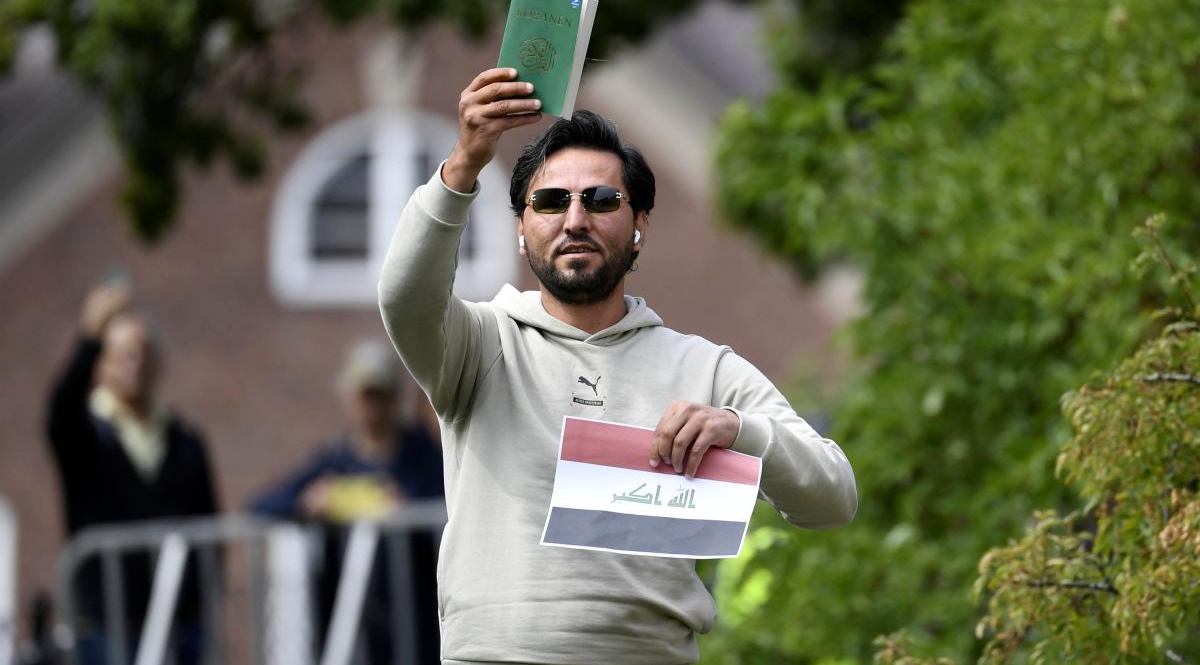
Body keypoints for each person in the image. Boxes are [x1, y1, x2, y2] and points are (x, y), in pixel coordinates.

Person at [378, 68, 859, 664]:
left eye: (602, 200)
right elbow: (404, 297)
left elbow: (834, 497)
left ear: (639, 228)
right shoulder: (478, 343)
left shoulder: (704, 368)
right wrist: (463, 165)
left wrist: (741, 431)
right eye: (551, 201)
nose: (575, 219)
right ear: (522, 230)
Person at [45, 281, 219, 665]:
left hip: (179, 626)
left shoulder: (184, 441)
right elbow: (59, 414)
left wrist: (199, 603)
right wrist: (88, 338)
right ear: (101, 363)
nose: (133, 363)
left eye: (141, 353)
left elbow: (209, 525)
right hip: (107, 627)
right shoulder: (86, 435)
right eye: (121, 354)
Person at [250, 339, 443, 665]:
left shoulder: (423, 457)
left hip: (416, 624)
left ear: (396, 397)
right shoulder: (334, 462)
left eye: (381, 394)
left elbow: (450, 511)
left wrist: (407, 509)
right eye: (365, 395)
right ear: (348, 397)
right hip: (349, 624)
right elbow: (263, 505)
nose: (373, 405)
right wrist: (309, 503)